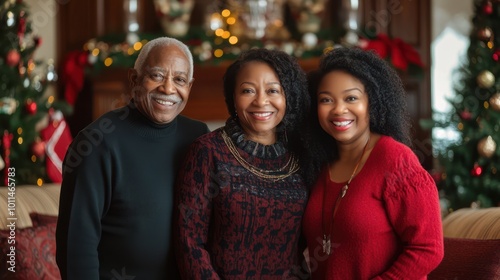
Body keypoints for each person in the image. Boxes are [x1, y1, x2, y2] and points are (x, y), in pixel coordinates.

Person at [56, 37, 210, 280]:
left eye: (179, 80)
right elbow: (76, 243)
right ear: (134, 79)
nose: (168, 89)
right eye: (157, 76)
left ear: (189, 86)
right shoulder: (96, 143)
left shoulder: (199, 137)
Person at [302, 47, 444, 279]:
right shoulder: (319, 162)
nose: (338, 109)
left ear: (373, 102)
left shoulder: (396, 160)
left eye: (351, 98)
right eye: (326, 99)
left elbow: (428, 249)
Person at [174, 48, 314, 279]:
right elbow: (189, 242)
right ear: (233, 97)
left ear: (289, 96)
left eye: (273, 90)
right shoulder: (208, 151)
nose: (261, 101)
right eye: (248, 90)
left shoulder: (302, 155)